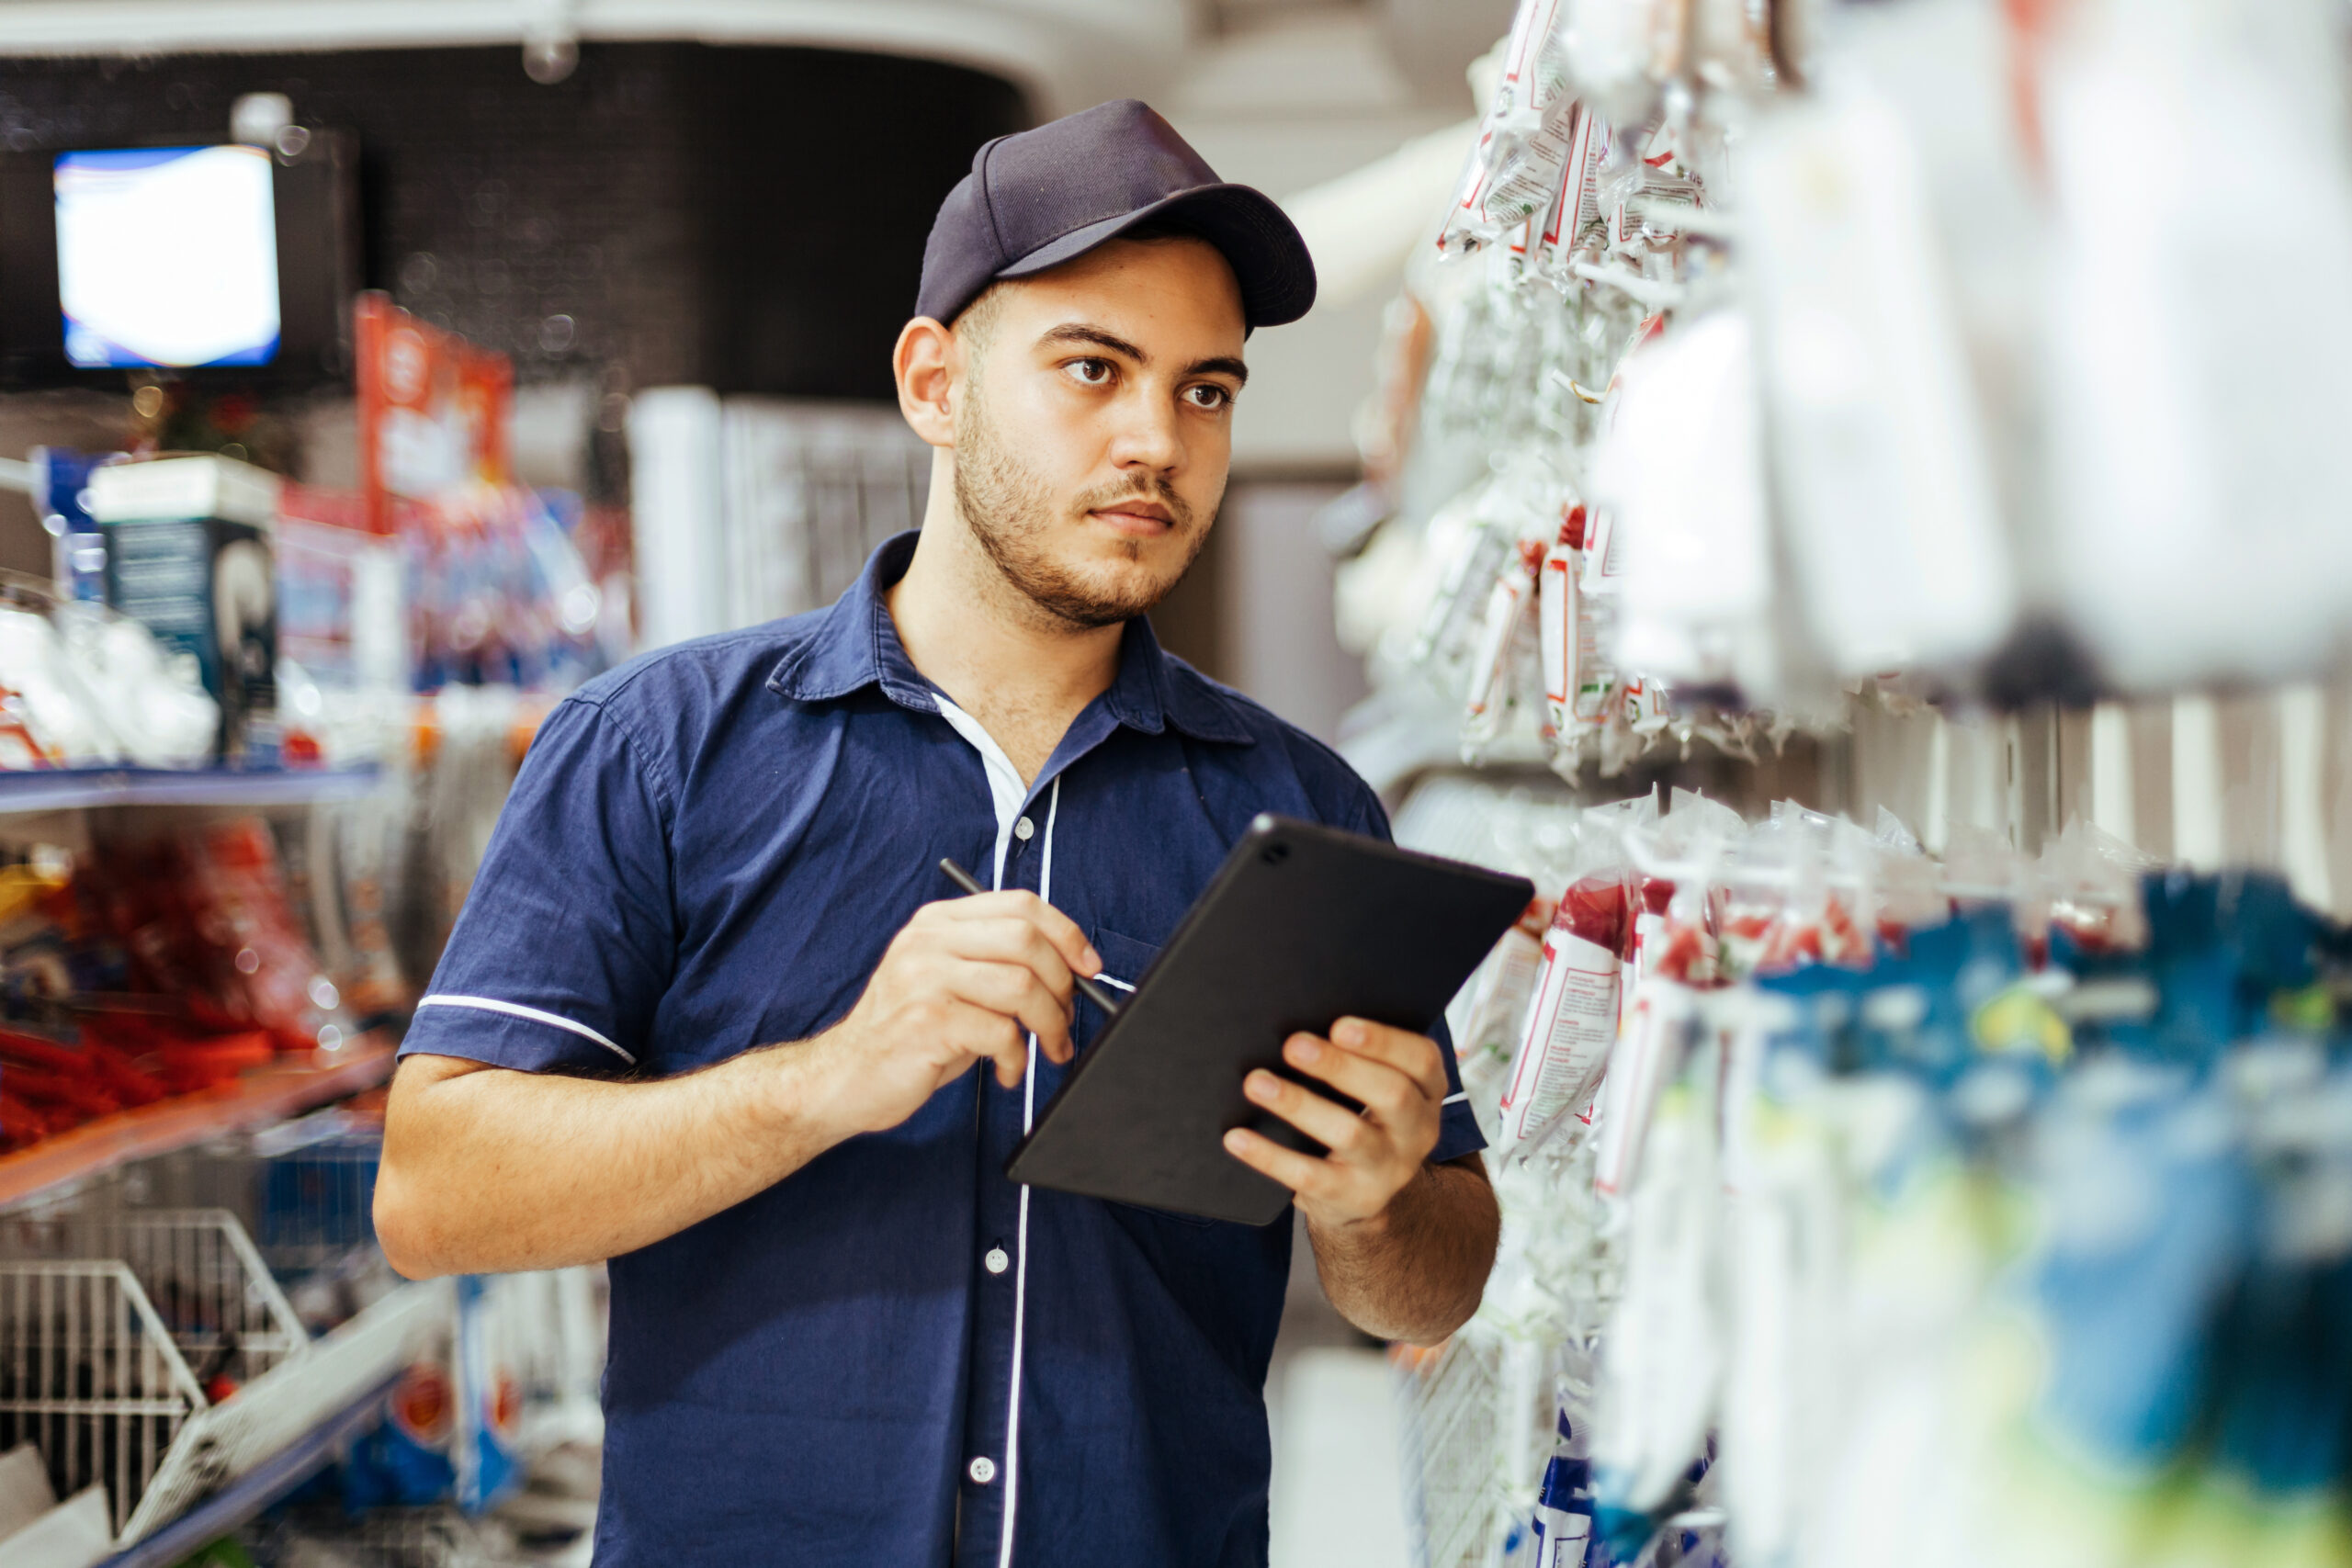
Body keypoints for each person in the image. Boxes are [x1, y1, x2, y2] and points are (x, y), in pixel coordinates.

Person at [375, 98, 1500, 1567]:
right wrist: (833, 1078)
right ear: (933, 380)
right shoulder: (659, 751)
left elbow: (1435, 1283)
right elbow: (432, 1193)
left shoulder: (1303, 814)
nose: (1155, 440)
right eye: (1092, 370)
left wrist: (1372, 1204)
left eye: (1206, 392)